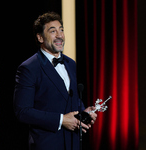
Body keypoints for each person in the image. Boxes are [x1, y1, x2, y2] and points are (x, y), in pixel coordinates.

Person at [13, 12, 97, 150]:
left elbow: (70, 98)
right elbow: (23, 111)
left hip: (73, 143)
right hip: (47, 144)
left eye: (61, 30)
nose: (59, 35)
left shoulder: (71, 63)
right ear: (40, 37)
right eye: (53, 31)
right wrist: (61, 120)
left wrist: (83, 112)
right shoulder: (29, 68)